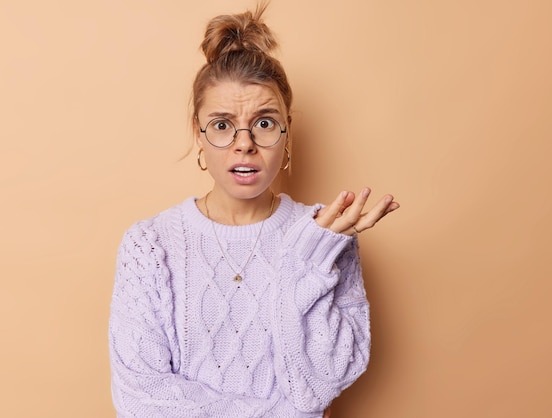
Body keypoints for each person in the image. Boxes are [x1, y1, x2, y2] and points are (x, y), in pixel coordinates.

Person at [108, 3, 399, 417]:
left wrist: (312, 258)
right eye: (223, 125)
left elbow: (316, 388)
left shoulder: (323, 235)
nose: (244, 143)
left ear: (287, 133)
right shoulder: (149, 245)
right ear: (199, 133)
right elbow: (141, 399)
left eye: (264, 123)